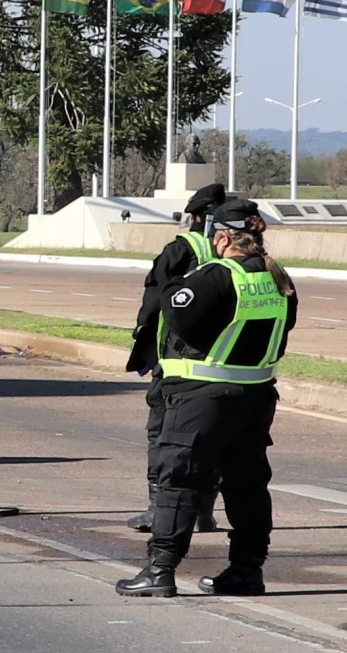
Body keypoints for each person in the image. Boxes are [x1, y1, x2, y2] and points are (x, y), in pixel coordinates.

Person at [115, 199, 296, 598]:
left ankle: (160, 569)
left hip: (202, 399)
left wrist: (174, 285)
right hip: (255, 397)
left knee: (178, 482)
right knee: (247, 485)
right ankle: (247, 571)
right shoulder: (278, 278)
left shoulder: (216, 276)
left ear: (223, 237)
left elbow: (179, 318)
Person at [125, 182, 226, 533]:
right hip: (223, 361)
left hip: (177, 360)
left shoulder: (183, 248)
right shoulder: (232, 253)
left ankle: (158, 509)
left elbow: (154, 303)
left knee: (163, 434)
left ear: (195, 216)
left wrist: (142, 336)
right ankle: (203, 513)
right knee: (212, 438)